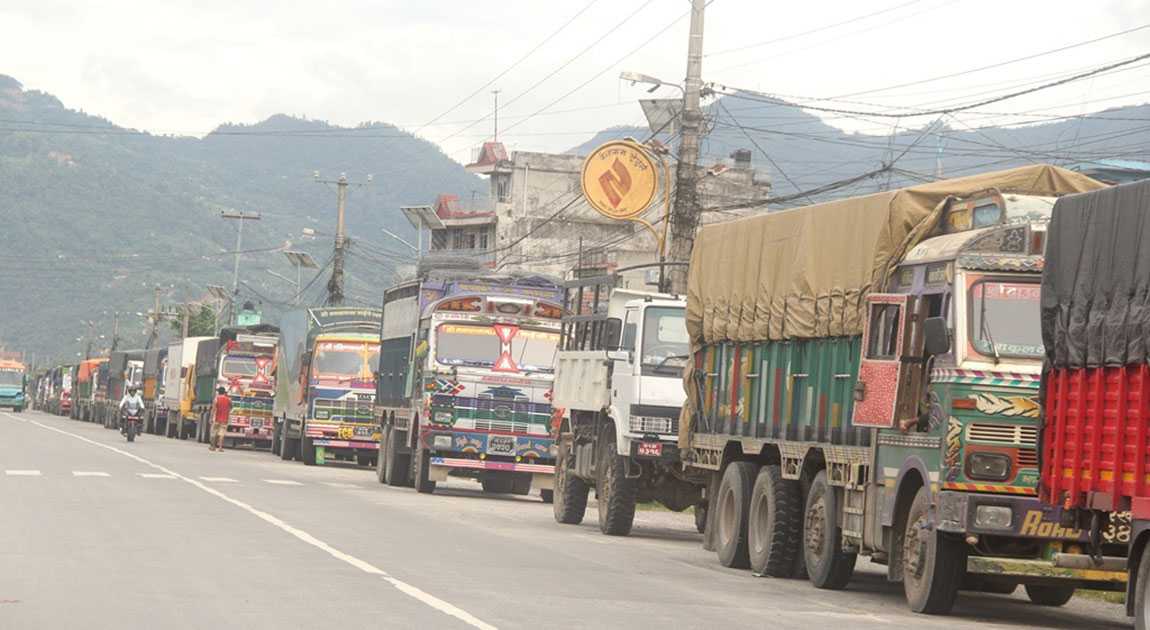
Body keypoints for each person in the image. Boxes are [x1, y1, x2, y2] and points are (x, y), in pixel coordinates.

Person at [210, 386, 230, 452]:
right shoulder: (228, 399)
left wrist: (211, 418)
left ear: (218, 392)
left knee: (214, 433)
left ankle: (213, 447)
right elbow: (231, 407)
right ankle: (220, 448)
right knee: (222, 434)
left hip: (217, 418)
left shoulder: (216, 399)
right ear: (224, 392)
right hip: (225, 419)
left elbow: (213, 409)